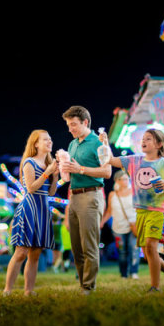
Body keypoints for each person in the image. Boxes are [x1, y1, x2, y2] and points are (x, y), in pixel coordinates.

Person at [99, 128, 164, 292]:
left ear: (159, 144)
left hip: (157, 211)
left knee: (151, 247)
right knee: (147, 254)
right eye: (143, 139)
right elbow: (110, 159)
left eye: (149, 139)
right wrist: (104, 142)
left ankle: (155, 287)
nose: (144, 141)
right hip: (140, 212)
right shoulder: (134, 160)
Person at [59, 106, 111, 295]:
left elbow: (107, 172)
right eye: (68, 125)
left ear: (85, 122)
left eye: (73, 124)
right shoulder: (73, 144)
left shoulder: (99, 142)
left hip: (91, 195)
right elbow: (70, 172)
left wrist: (80, 169)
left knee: (89, 245)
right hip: (74, 196)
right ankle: (83, 284)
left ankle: (89, 286)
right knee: (76, 247)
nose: (70, 129)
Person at [3, 130, 58, 295]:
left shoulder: (49, 164)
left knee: (35, 254)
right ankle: (8, 289)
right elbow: (31, 188)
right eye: (45, 139)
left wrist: (54, 176)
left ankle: (29, 290)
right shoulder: (29, 162)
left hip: (42, 210)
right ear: (36, 144)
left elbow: (51, 193)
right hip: (29, 209)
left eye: (50, 139)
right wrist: (48, 172)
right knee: (21, 252)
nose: (49, 142)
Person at [100, 170, 139, 279]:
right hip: (117, 227)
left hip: (133, 225)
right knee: (122, 251)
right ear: (117, 180)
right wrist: (102, 222)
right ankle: (123, 274)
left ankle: (134, 272)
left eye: (127, 179)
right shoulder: (112, 195)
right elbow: (109, 211)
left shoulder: (134, 192)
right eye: (124, 179)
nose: (126, 181)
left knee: (134, 249)